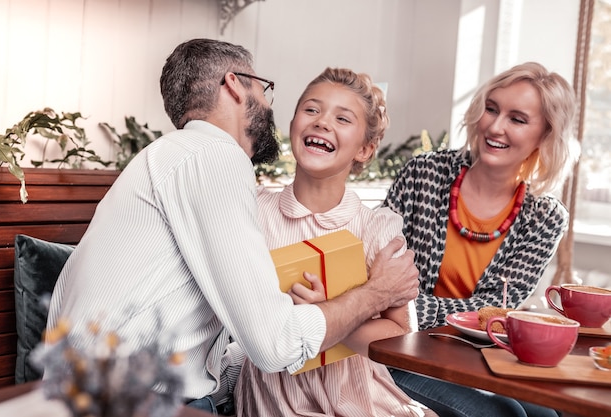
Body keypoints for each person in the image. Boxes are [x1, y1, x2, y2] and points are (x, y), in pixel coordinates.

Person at [45, 38, 420, 414]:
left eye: (342, 117)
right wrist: (375, 294)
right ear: (235, 85)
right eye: (264, 88)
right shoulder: (216, 157)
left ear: (365, 148)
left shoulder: (169, 157)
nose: (269, 103)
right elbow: (276, 345)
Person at [233, 67, 435, 417]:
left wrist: (330, 315)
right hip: (277, 398)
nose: (322, 122)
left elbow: (399, 338)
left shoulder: (378, 231)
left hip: (359, 395)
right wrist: (335, 313)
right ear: (293, 123)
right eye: (311, 110)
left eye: (343, 118)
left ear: (365, 149)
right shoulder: (252, 211)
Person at [383, 62, 577, 417]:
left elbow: (496, 312)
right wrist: (460, 314)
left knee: (553, 413)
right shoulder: (423, 174)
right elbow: (379, 276)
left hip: (479, 358)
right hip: (397, 350)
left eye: (517, 119)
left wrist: (413, 307)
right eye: (491, 108)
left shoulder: (545, 216)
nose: (495, 126)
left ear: (546, 135)